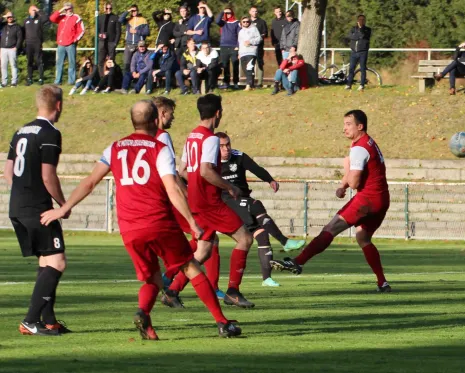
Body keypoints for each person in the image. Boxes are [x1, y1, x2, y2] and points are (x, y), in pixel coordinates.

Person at [40, 100, 242, 340]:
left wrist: (64, 208)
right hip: (158, 222)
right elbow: (172, 187)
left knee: (152, 278)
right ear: (155, 120)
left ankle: (144, 317)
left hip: (129, 228)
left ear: (132, 121)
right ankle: (222, 322)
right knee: (191, 267)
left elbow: (90, 181)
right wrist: (192, 220)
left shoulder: (114, 148)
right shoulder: (159, 148)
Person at [271, 110, 391, 293]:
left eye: (349, 124)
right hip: (382, 199)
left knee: (330, 229)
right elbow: (354, 177)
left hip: (367, 199)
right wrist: (342, 185)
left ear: (360, 126)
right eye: (344, 124)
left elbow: (355, 182)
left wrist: (347, 169)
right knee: (363, 238)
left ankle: (298, 262)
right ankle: (382, 282)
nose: (344, 128)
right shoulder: (367, 142)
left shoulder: (359, 149)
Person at [162, 95, 255, 309]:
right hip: (210, 202)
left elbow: (183, 169)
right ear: (218, 113)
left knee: (203, 250)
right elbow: (205, 170)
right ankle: (233, 291)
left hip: (196, 200)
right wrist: (229, 186)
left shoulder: (192, 136)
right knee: (245, 239)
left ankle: (172, 291)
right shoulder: (210, 138)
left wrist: (190, 190)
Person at [4, 85, 71, 336]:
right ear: (59, 105)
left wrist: (23, 192)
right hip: (38, 208)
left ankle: (49, 319)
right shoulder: (50, 133)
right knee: (58, 261)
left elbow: (8, 173)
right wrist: (63, 204)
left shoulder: (20, 131)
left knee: (46, 259)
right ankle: (30, 321)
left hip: (18, 206)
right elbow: (48, 174)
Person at [214, 132, 306, 288]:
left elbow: (255, 168)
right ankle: (285, 242)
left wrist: (270, 179)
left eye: (228, 144)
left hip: (242, 199)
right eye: (221, 146)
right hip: (227, 202)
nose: (226, 148)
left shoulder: (239, 156)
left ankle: (266, 279)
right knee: (256, 204)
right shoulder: (211, 162)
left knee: (262, 236)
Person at [50, 2, 85, 85]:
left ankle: (71, 81)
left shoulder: (76, 17)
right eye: (66, 9)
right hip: (61, 44)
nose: (68, 10)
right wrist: (61, 10)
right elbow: (52, 18)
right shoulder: (62, 16)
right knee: (59, 63)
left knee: (71, 63)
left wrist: (75, 40)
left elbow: (82, 30)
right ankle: (58, 81)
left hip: (70, 44)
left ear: (72, 8)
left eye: (69, 8)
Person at [119, 4, 150, 75]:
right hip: (129, 44)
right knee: (127, 64)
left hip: (139, 45)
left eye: (135, 10)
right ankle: (126, 82)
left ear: (138, 10)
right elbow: (120, 20)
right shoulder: (128, 20)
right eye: (132, 11)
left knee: (140, 64)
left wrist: (137, 32)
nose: (134, 12)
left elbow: (147, 32)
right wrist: (128, 11)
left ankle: (139, 80)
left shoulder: (143, 20)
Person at [215, 6, 241, 89]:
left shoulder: (237, 22)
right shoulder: (223, 22)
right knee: (225, 66)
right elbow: (217, 21)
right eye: (226, 13)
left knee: (235, 65)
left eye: (229, 13)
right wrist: (223, 12)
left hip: (234, 47)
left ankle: (236, 82)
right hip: (224, 47)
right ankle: (226, 83)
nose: (228, 14)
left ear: (232, 13)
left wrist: (238, 46)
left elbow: (240, 35)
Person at [23, 5, 49, 86]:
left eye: (35, 10)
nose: (34, 11)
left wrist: (38, 9)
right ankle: (29, 79)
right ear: (29, 11)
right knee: (29, 61)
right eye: (32, 10)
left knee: (38, 61)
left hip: (37, 43)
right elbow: (22, 32)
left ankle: (41, 78)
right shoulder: (26, 21)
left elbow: (46, 18)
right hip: (28, 43)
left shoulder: (40, 19)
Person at [345, 15, 371, 91]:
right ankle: (348, 84)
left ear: (365, 21)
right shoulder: (353, 29)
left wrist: (360, 31)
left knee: (362, 68)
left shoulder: (367, 29)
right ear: (357, 20)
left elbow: (363, 35)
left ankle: (362, 85)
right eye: (360, 19)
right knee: (351, 68)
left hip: (363, 52)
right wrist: (358, 35)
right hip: (354, 52)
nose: (361, 21)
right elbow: (351, 36)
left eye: (363, 20)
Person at [238, 16, 261, 91]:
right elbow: (240, 43)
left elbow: (259, 39)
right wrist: (239, 53)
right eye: (244, 22)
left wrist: (250, 42)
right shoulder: (240, 32)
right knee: (245, 70)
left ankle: (248, 86)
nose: (245, 23)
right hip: (242, 53)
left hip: (251, 51)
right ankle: (252, 85)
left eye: (247, 21)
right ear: (241, 23)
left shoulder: (254, 29)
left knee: (249, 68)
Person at [97, 2, 120, 74]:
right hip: (102, 42)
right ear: (104, 8)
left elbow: (118, 32)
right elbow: (97, 30)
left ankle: (111, 79)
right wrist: (100, 35)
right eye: (107, 8)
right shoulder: (100, 18)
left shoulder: (115, 17)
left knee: (111, 62)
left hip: (111, 43)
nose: (108, 10)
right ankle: (101, 78)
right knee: (100, 61)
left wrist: (115, 43)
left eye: (110, 8)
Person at [1, 11, 22, 88]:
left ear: (13, 18)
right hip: (3, 49)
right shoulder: (3, 26)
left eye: (11, 17)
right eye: (8, 17)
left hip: (12, 49)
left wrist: (16, 47)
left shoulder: (17, 27)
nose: (10, 18)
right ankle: (4, 82)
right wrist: (4, 16)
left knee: (13, 65)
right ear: (6, 18)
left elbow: (20, 38)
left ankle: (14, 82)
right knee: (3, 66)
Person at [249, 6, 268, 87]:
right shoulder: (246, 21)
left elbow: (265, 34)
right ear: (250, 12)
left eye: (256, 11)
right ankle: (250, 83)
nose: (255, 13)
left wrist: (258, 38)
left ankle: (260, 83)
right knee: (250, 65)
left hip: (259, 47)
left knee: (259, 63)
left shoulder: (262, 22)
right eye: (253, 11)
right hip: (249, 48)